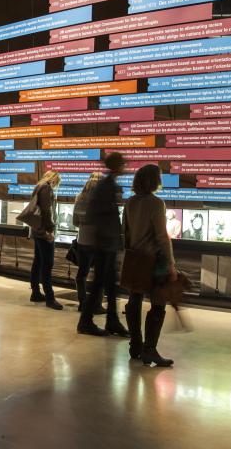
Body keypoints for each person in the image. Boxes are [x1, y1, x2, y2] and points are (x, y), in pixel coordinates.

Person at [122, 164, 177, 367]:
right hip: (153, 260)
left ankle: (135, 345)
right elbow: (162, 237)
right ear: (155, 180)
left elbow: (125, 232)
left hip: (134, 257)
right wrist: (171, 264)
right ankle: (150, 350)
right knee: (158, 303)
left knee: (134, 300)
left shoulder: (130, 202)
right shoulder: (156, 203)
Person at [77, 153, 131, 337]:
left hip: (107, 244)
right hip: (104, 245)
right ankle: (86, 321)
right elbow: (100, 217)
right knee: (101, 283)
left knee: (109, 284)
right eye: (123, 164)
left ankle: (111, 320)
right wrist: (109, 242)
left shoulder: (108, 185)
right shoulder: (106, 186)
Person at [28, 171, 63, 309]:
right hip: (43, 231)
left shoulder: (38, 186)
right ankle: (50, 298)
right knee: (47, 264)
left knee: (38, 262)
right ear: (54, 180)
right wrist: (49, 230)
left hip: (37, 230)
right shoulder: (46, 188)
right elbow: (47, 211)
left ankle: (36, 292)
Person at [73, 172, 105, 313]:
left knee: (82, 274)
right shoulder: (102, 199)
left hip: (83, 240)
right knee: (100, 274)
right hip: (98, 241)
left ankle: (82, 302)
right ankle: (97, 305)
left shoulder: (79, 198)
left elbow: (75, 222)